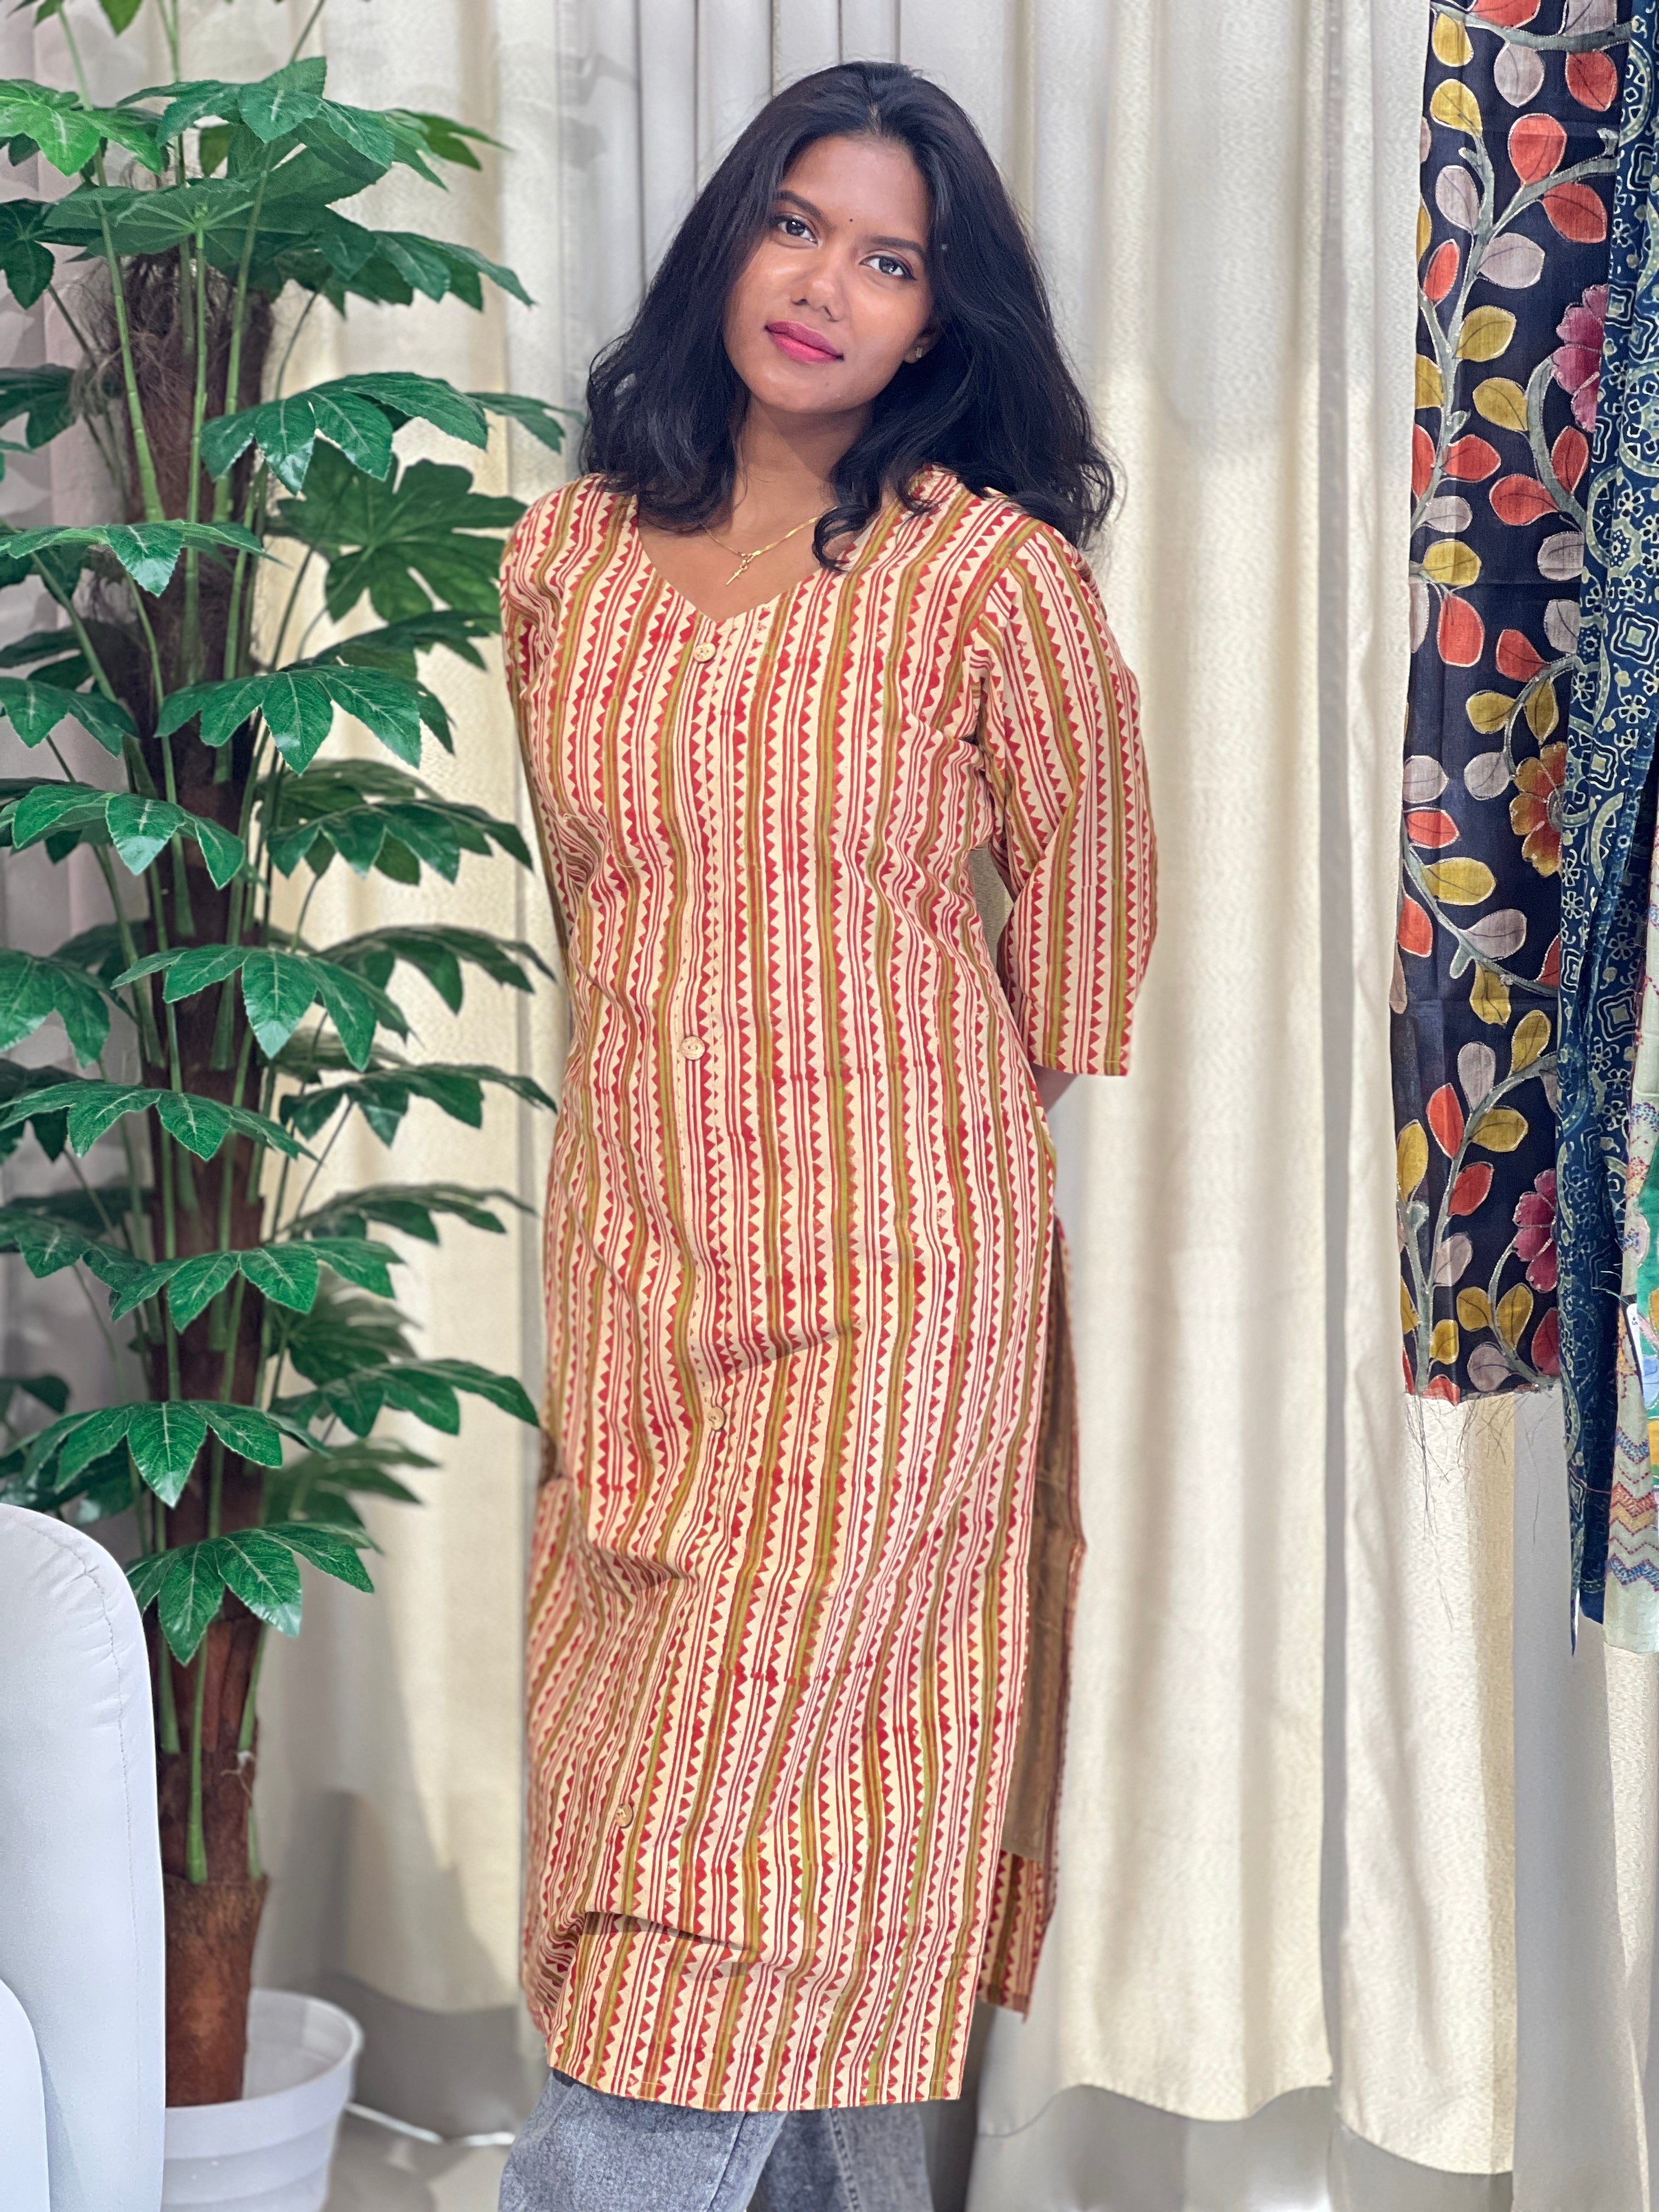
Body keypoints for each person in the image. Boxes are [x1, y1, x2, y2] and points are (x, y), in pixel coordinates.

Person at [496, 58, 1155, 2212]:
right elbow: (606, 908)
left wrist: (870, 1133)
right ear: (730, 241)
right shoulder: (567, 561)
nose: (826, 286)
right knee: (742, 1838)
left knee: (715, 1845)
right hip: (633, 1294)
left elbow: (1087, 928)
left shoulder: (992, 583)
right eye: (797, 225)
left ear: (942, 321)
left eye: (892, 260)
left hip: (890, 1318)